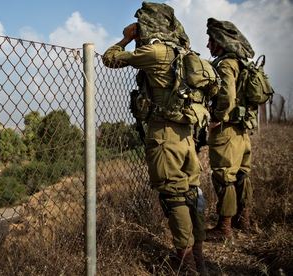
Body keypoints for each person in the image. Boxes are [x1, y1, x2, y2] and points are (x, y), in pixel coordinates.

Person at [102, 3, 208, 274]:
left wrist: (126, 38)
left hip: (164, 136)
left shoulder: (155, 52)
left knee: (173, 196)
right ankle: (198, 254)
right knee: (190, 191)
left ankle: (185, 262)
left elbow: (109, 58)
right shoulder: (183, 52)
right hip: (186, 136)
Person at [205, 18, 255, 241]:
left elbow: (227, 97)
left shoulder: (226, 64)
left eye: (211, 41)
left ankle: (224, 229)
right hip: (242, 131)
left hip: (226, 131)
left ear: (220, 42)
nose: (208, 46)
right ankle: (244, 221)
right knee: (242, 175)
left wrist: (216, 117)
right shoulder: (241, 62)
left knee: (224, 177)